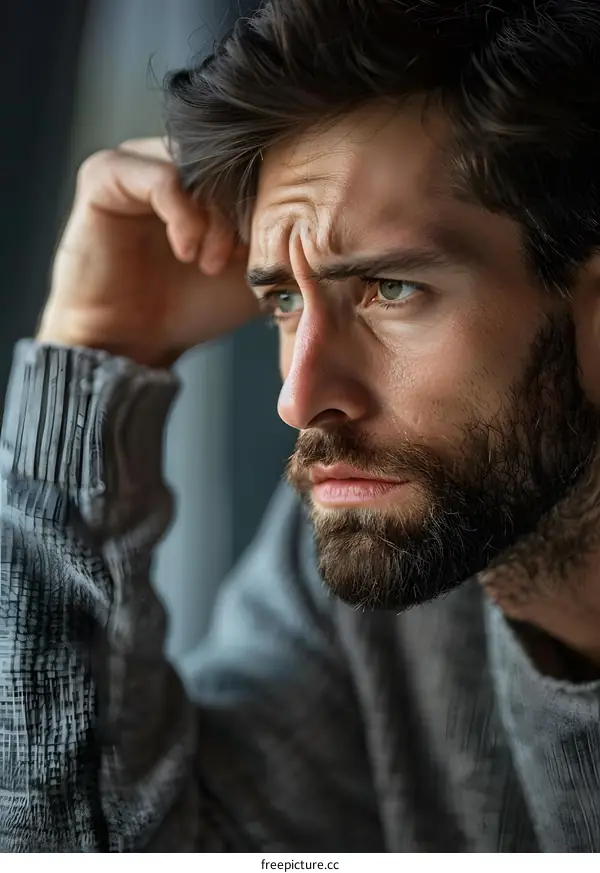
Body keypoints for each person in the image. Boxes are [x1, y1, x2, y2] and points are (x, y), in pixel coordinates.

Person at [2, 0, 600, 852]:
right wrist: (92, 353)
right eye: (282, 298)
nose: (299, 398)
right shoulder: (385, 552)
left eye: (390, 289)